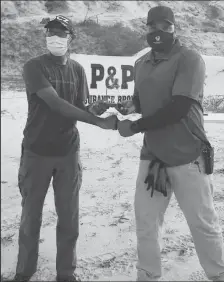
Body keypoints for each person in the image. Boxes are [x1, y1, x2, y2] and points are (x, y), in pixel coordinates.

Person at [117, 5, 224, 282]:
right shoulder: (141, 63)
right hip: (153, 156)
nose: (158, 32)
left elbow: (179, 107)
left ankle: (218, 274)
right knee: (146, 222)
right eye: (153, 26)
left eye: (165, 26)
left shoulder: (189, 59)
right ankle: (148, 275)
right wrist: (125, 108)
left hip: (188, 154)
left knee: (202, 224)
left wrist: (137, 126)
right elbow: (140, 100)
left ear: (174, 28)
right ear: (147, 28)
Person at [14, 15, 117, 282]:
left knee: (69, 218)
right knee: (30, 218)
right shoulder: (33, 67)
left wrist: (101, 108)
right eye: (50, 32)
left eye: (61, 33)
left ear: (71, 37)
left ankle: (66, 274)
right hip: (36, 151)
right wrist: (97, 121)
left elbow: (80, 106)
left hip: (68, 153)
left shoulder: (78, 70)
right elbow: (56, 104)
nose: (54, 37)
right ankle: (24, 272)